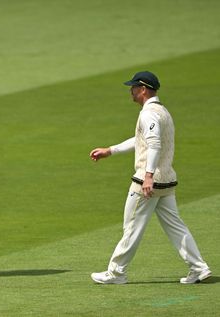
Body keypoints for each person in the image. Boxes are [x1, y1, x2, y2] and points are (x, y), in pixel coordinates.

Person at [89, 71, 211, 284]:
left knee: (132, 226)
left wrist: (148, 177)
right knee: (176, 226)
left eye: (134, 87)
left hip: (148, 183)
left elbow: (154, 144)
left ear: (143, 89)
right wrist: (111, 150)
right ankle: (199, 268)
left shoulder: (148, 114)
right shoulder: (162, 111)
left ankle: (116, 273)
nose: (131, 91)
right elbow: (142, 139)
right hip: (166, 181)